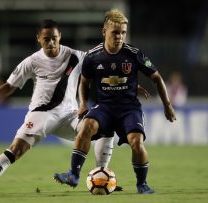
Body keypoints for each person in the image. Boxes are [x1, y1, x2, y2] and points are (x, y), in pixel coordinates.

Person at [0, 19, 150, 196]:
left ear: (59, 36)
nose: (51, 42)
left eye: (54, 38)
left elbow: (103, 70)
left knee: (104, 127)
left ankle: (101, 176)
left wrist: (131, 86)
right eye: (46, 39)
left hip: (70, 115)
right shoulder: (32, 61)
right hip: (41, 115)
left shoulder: (76, 56)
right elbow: (10, 86)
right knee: (16, 149)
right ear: (39, 39)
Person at [54, 9, 176, 194]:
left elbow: (157, 78)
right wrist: (83, 104)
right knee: (86, 126)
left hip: (129, 108)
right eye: (115, 32)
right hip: (104, 107)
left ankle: (142, 184)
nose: (119, 37)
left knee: (136, 142)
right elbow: (84, 82)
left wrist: (167, 106)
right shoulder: (92, 56)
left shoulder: (134, 53)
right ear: (104, 32)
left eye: (123, 33)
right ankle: (73, 174)